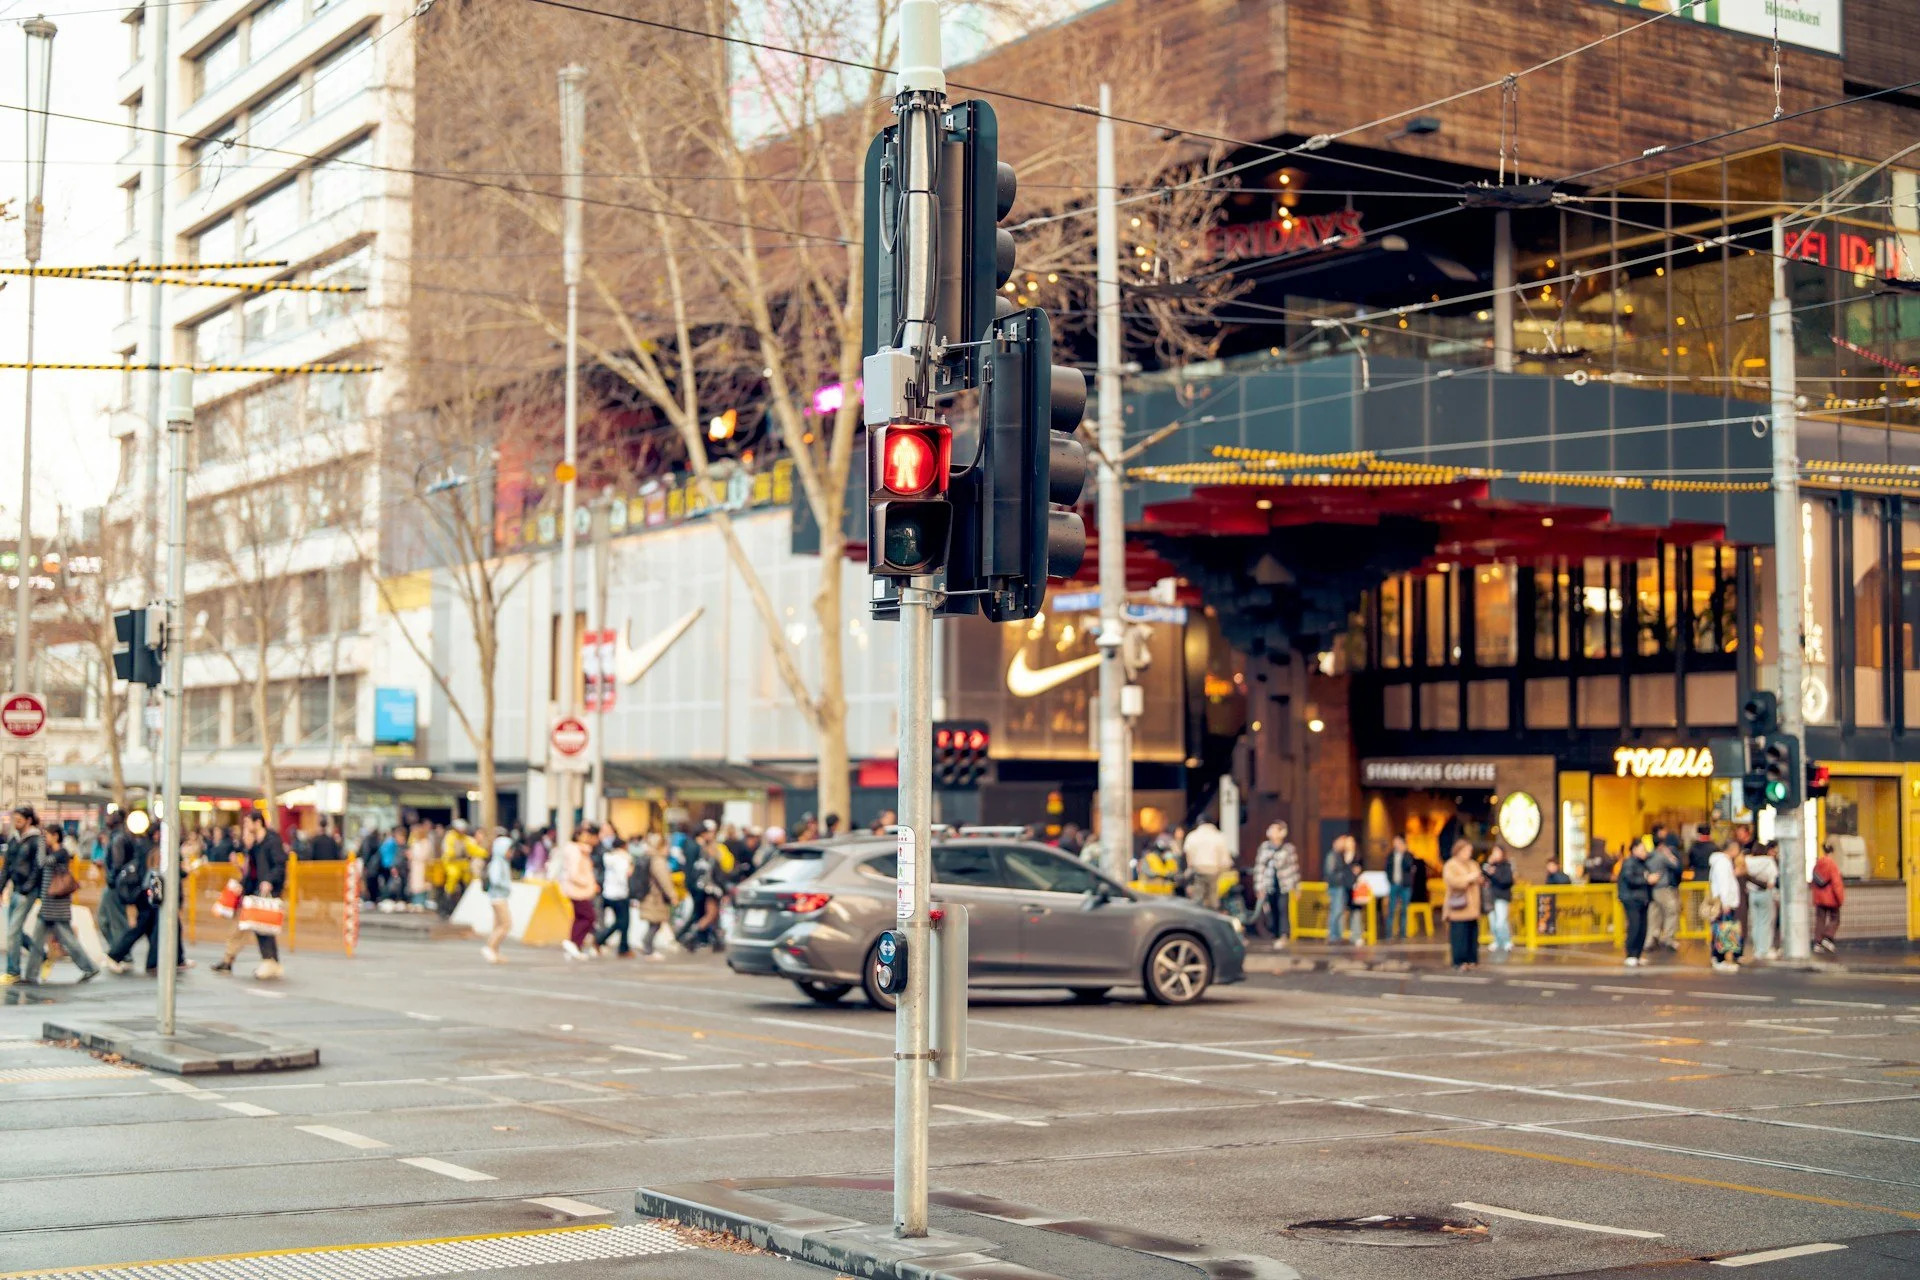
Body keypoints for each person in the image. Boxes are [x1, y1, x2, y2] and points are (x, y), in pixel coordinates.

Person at [19, 821, 99, 985]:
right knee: (37, 941)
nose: (45, 839)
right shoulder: (53, 852)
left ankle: (90, 967)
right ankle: (30, 975)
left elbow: (42, 863)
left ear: (55, 836)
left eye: (47, 836)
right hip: (48, 904)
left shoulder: (62, 853)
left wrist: (41, 845)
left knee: (68, 940)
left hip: (57, 905)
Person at [214, 811, 287, 980]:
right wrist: (242, 883)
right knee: (259, 926)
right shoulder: (256, 844)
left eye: (248, 823)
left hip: (268, 891)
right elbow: (252, 870)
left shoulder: (272, 841)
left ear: (258, 823)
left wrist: (269, 881)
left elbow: (280, 865)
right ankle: (268, 961)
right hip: (255, 890)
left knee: (262, 927)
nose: (245, 827)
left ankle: (269, 961)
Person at [556, 824, 600, 960]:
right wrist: (586, 883)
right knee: (589, 916)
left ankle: (575, 944)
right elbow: (573, 872)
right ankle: (574, 942)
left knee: (581, 917)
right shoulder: (575, 850)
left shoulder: (582, 850)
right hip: (578, 890)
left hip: (580, 889)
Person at [1253, 822, 1299, 949]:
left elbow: (1294, 868)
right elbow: (1259, 868)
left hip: (1284, 884)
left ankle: (1283, 934)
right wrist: (1259, 887)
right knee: (1270, 910)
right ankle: (1274, 933)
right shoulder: (1264, 847)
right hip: (1269, 884)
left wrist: (1296, 887)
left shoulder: (1288, 849)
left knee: (1283, 908)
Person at [1440, 839, 1482, 971]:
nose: (1468, 853)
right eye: (1466, 851)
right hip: (1458, 906)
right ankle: (1459, 961)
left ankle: (1472, 959)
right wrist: (1469, 878)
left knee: (1472, 934)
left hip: (1473, 905)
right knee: (1459, 935)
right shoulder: (1451, 865)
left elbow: (1479, 878)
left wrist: (1478, 878)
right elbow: (1452, 881)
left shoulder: (1473, 864)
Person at [634, 832, 676, 959]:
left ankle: (647, 946)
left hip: (649, 896)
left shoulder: (648, 857)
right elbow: (664, 880)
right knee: (655, 923)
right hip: (655, 897)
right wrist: (672, 895)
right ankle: (648, 948)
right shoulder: (658, 860)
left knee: (654, 923)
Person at [593, 837, 636, 957]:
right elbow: (623, 877)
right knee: (623, 922)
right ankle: (606, 941)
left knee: (620, 922)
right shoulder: (623, 860)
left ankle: (618, 945)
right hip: (620, 894)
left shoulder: (609, 858)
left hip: (608, 893)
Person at [1616, 837, 1654, 967]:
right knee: (1634, 926)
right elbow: (1630, 879)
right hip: (1632, 899)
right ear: (1634, 850)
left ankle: (1637, 954)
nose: (1645, 852)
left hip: (1642, 899)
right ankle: (1631, 954)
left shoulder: (1643, 863)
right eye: (1642, 849)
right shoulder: (1629, 863)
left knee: (1643, 927)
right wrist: (1647, 880)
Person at [1707, 843, 1745, 972]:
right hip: (1725, 902)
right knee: (1722, 930)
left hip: (1724, 901)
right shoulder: (1723, 863)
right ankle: (1719, 958)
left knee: (1722, 929)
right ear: (1733, 850)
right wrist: (1726, 902)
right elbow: (1724, 884)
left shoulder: (1720, 861)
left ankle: (1720, 958)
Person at [1182, 821, 1232, 910]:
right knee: (1213, 898)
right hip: (1214, 871)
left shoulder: (1193, 836)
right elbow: (1225, 860)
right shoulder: (1219, 836)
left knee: (1197, 900)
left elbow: (1188, 854)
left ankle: (1197, 920)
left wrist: (1190, 867)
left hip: (1198, 870)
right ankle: (1213, 918)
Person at [1744, 840, 1781, 961]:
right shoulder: (1768, 861)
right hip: (1765, 894)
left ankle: (1757, 948)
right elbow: (1773, 880)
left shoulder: (1747, 862)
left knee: (1755, 922)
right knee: (1765, 922)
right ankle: (1764, 950)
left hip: (1752, 894)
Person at [481, 830, 513, 964]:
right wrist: (506, 886)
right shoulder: (498, 863)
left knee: (497, 925)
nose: (510, 852)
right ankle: (489, 947)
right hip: (498, 897)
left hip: (498, 897)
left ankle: (494, 951)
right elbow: (495, 879)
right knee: (506, 924)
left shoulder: (501, 862)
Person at [1646, 835, 1683, 951]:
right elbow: (1676, 864)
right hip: (1663, 888)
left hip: (1651, 889)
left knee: (1654, 915)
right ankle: (1668, 938)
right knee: (1672, 911)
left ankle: (1651, 938)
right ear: (1662, 845)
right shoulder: (1662, 857)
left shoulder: (1649, 856)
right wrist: (1669, 854)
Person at [1323, 835, 1360, 943]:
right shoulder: (1333, 855)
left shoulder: (1339, 855)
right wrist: (1344, 875)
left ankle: (1337, 935)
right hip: (1336, 887)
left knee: (1338, 912)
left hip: (1341, 887)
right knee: (1336, 911)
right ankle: (1334, 936)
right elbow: (1332, 873)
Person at [1812, 840, 1845, 954]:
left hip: (1819, 898)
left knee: (1820, 920)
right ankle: (1827, 937)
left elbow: (1814, 882)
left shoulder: (1817, 864)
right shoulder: (1832, 865)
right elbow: (1837, 884)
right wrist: (1840, 899)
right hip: (1831, 898)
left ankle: (1818, 943)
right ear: (1832, 852)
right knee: (1835, 919)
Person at [1483, 844, 1516, 956]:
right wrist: (1489, 864)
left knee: (1501, 921)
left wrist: (1494, 874)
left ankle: (1506, 941)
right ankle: (1497, 941)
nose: (1495, 854)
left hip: (1502, 896)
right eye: (1493, 852)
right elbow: (1482, 874)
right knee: (1493, 922)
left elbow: (1507, 881)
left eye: (1497, 852)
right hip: (1490, 897)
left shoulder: (1506, 866)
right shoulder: (1490, 866)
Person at [1385, 835, 1417, 941]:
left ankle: (1403, 933)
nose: (1396, 844)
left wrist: (1404, 852)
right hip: (1394, 884)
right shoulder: (1390, 856)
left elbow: (1409, 866)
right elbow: (1387, 869)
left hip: (1405, 886)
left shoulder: (1408, 855)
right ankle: (1389, 934)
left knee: (1404, 909)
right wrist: (1390, 880)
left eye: (1398, 842)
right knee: (1391, 909)